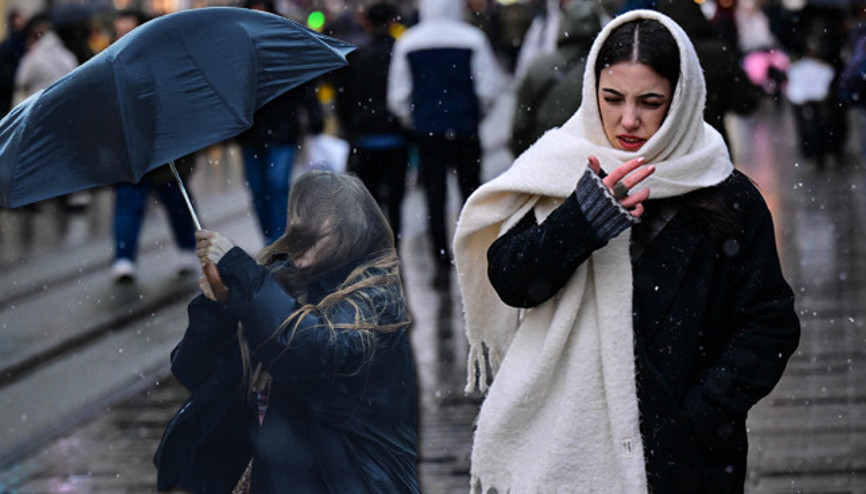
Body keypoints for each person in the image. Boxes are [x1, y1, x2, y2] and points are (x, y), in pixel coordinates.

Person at [454, 9, 799, 493]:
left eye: (650, 101)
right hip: (570, 445)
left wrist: (698, 413)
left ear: (680, 101)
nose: (628, 120)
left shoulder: (725, 191)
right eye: (612, 99)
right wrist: (581, 220)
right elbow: (513, 280)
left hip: (689, 459)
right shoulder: (556, 168)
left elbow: (768, 322)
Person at [154, 170, 419, 493]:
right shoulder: (280, 287)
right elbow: (196, 371)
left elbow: (311, 351)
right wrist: (218, 308)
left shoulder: (374, 300)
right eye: (297, 222)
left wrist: (241, 270)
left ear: (349, 232)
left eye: (316, 224)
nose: (299, 234)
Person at [387, 0, 504, 289]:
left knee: (434, 198)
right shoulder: (473, 38)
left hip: (429, 133)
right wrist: (472, 115)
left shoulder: (408, 42)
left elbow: (397, 96)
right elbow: (489, 88)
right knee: (471, 194)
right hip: (465, 130)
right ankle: (475, 255)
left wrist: (417, 120)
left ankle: (441, 259)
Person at [109, 10, 199, 282]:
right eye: (119, 31)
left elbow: (181, 106)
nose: (123, 36)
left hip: (165, 150)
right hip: (128, 153)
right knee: (128, 202)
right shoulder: (108, 66)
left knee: (176, 201)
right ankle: (124, 258)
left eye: (129, 30)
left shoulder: (163, 63)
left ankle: (187, 249)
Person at [239, 0, 324, 244]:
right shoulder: (237, 50)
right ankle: (269, 235)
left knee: (277, 185)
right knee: (257, 189)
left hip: (282, 127)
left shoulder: (284, 44)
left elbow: (304, 84)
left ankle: (277, 239)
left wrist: (313, 113)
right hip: (250, 131)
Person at [334, 2, 409, 247]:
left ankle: (376, 245)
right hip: (395, 136)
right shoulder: (399, 53)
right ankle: (394, 240)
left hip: (366, 137)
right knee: (396, 197)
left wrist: (351, 129)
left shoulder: (357, 57)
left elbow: (344, 98)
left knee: (371, 197)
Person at [510, 0, 601, 157]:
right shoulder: (606, 68)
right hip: (592, 158)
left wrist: (523, 156)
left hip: (544, 154)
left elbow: (520, 124)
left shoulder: (539, 66)